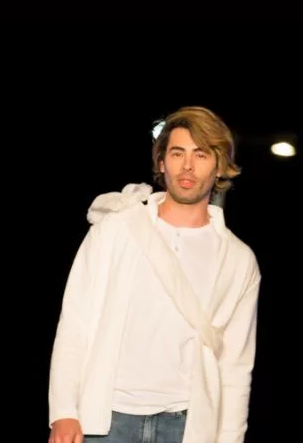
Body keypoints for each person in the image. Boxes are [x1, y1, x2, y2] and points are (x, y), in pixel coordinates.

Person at [47, 106, 261, 443]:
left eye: (201, 154)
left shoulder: (237, 259)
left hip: (186, 425)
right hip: (107, 419)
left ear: (219, 165)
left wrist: (230, 438)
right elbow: (76, 322)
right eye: (177, 153)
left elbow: (235, 364)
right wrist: (63, 410)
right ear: (162, 162)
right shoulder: (117, 229)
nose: (187, 166)